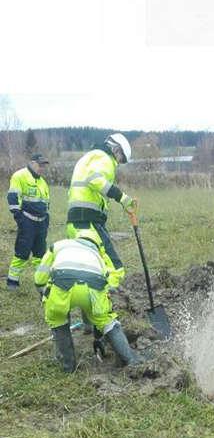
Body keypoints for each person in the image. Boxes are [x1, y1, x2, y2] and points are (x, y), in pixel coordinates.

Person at [34, 228, 141, 373]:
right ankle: (132, 361)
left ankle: (69, 368)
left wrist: (42, 290)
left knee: (58, 322)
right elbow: (109, 280)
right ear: (97, 244)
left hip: (62, 286)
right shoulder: (98, 254)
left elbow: (40, 276)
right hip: (93, 288)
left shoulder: (59, 245)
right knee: (108, 323)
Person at [66, 133, 135, 289]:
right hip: (89, 222)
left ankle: (88, 307)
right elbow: (94, 179)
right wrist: (121, 197)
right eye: (121, 159)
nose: (119, 163)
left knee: (87, 268)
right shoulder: (104, 159)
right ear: (116, 149)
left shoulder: (88, 158)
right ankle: (108, 306)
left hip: (75, 221)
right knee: (115, 270)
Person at [6, 154, 50, 290]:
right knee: (22, 253)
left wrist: (46, 220)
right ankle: (12, 282)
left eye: (44, 165)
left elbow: (47, 204)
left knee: (40, 255)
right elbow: (13, 197)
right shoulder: (19, 176)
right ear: (32, 163)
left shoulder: (43, 182)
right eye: (40, 165)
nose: (42, 168)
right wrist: (20, 218)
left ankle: (41, 283)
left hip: (41, 223)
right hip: (27, 222)